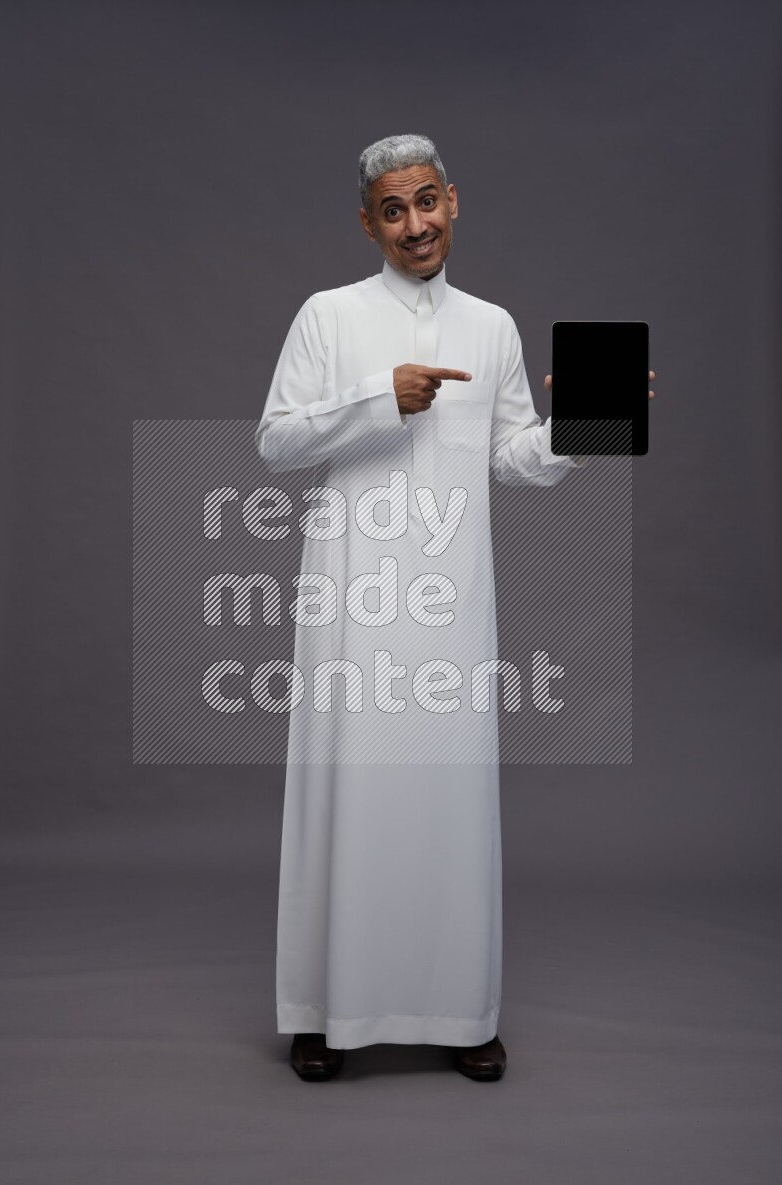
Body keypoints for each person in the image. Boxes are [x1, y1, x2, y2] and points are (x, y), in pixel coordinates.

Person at [255, 133, 655, 1082]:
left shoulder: (492, 326)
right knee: (342, 796)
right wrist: (376, 397)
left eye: (426, 202)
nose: (414, 225)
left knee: (449, 801)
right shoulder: (328, 317)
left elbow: (513, 459)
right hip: (353, 598)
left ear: (453, 201)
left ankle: (460, 1008)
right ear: (368, 223)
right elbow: (274, 441)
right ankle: (322, 1008)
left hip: (449, 608)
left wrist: (587, 426)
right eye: (392, 211)